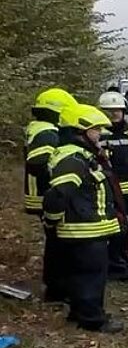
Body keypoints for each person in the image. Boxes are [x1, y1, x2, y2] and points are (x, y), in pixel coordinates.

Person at [43, 104, 123, 333]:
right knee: (91, 277)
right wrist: (52, 221)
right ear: (80, 131)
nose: (100, 134)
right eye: (96, 129)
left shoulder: (80, 156)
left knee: (81, 275)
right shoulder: (74, 159)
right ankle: (92, 320)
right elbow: (58, 195)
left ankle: (79, 312)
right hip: (84, 230)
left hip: (85, 229)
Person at [24, 87, 77, 304]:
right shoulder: (47, 132)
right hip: (45, 195)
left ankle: (57, 286)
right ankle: (57, 289)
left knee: (55, 242)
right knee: (58, 244)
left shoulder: (38, 128)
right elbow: (38, 163)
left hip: (40, 194)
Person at [96, 92, 128, 283]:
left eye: (118, 110)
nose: (115, 114)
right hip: (112, 193)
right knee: (118, 230)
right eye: (110, 111)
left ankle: (123, 262)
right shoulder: (100, 134)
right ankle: (116, 267)